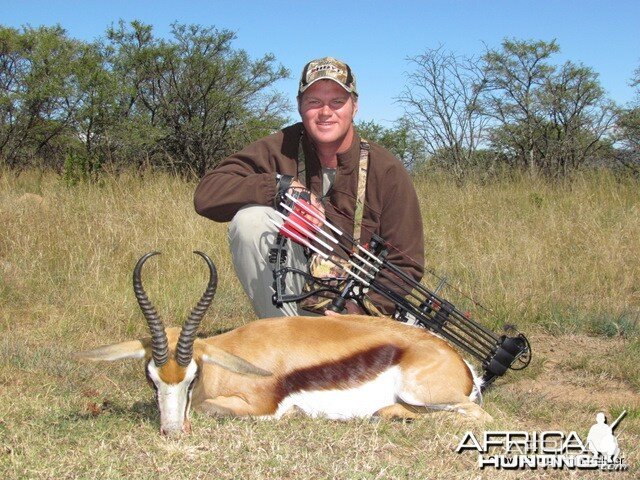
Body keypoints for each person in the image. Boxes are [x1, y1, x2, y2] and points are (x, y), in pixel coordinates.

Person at [194, 57, 424, 318]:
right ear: (299, 105)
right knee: (250, 221)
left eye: (337, 101)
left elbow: (406, 264)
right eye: (314, 101)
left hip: (358, 310)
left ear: (355, 107)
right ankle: (287, 340)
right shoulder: (280, 147)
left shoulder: (387, 169)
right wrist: (279, 186)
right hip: (300, 299)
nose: (325, 112)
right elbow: (207, 195)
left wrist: (361, 309)